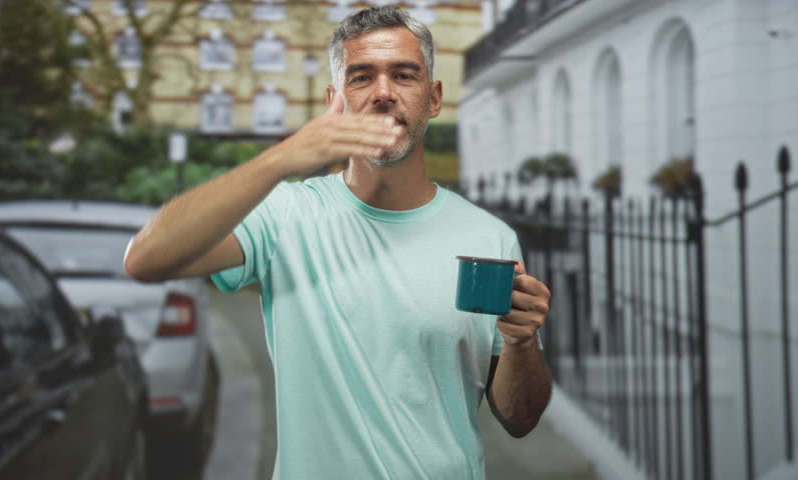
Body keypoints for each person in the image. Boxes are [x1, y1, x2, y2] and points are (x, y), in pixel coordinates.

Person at [124, 6, 552, 479]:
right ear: (336, 100)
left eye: (404, 75)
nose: (383, 93)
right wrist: (281, 159)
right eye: (362, 77)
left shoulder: (489, 238)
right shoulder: (285, 215)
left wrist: (520, 342)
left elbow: (520, 418)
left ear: (433, 99)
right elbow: (146, 259)